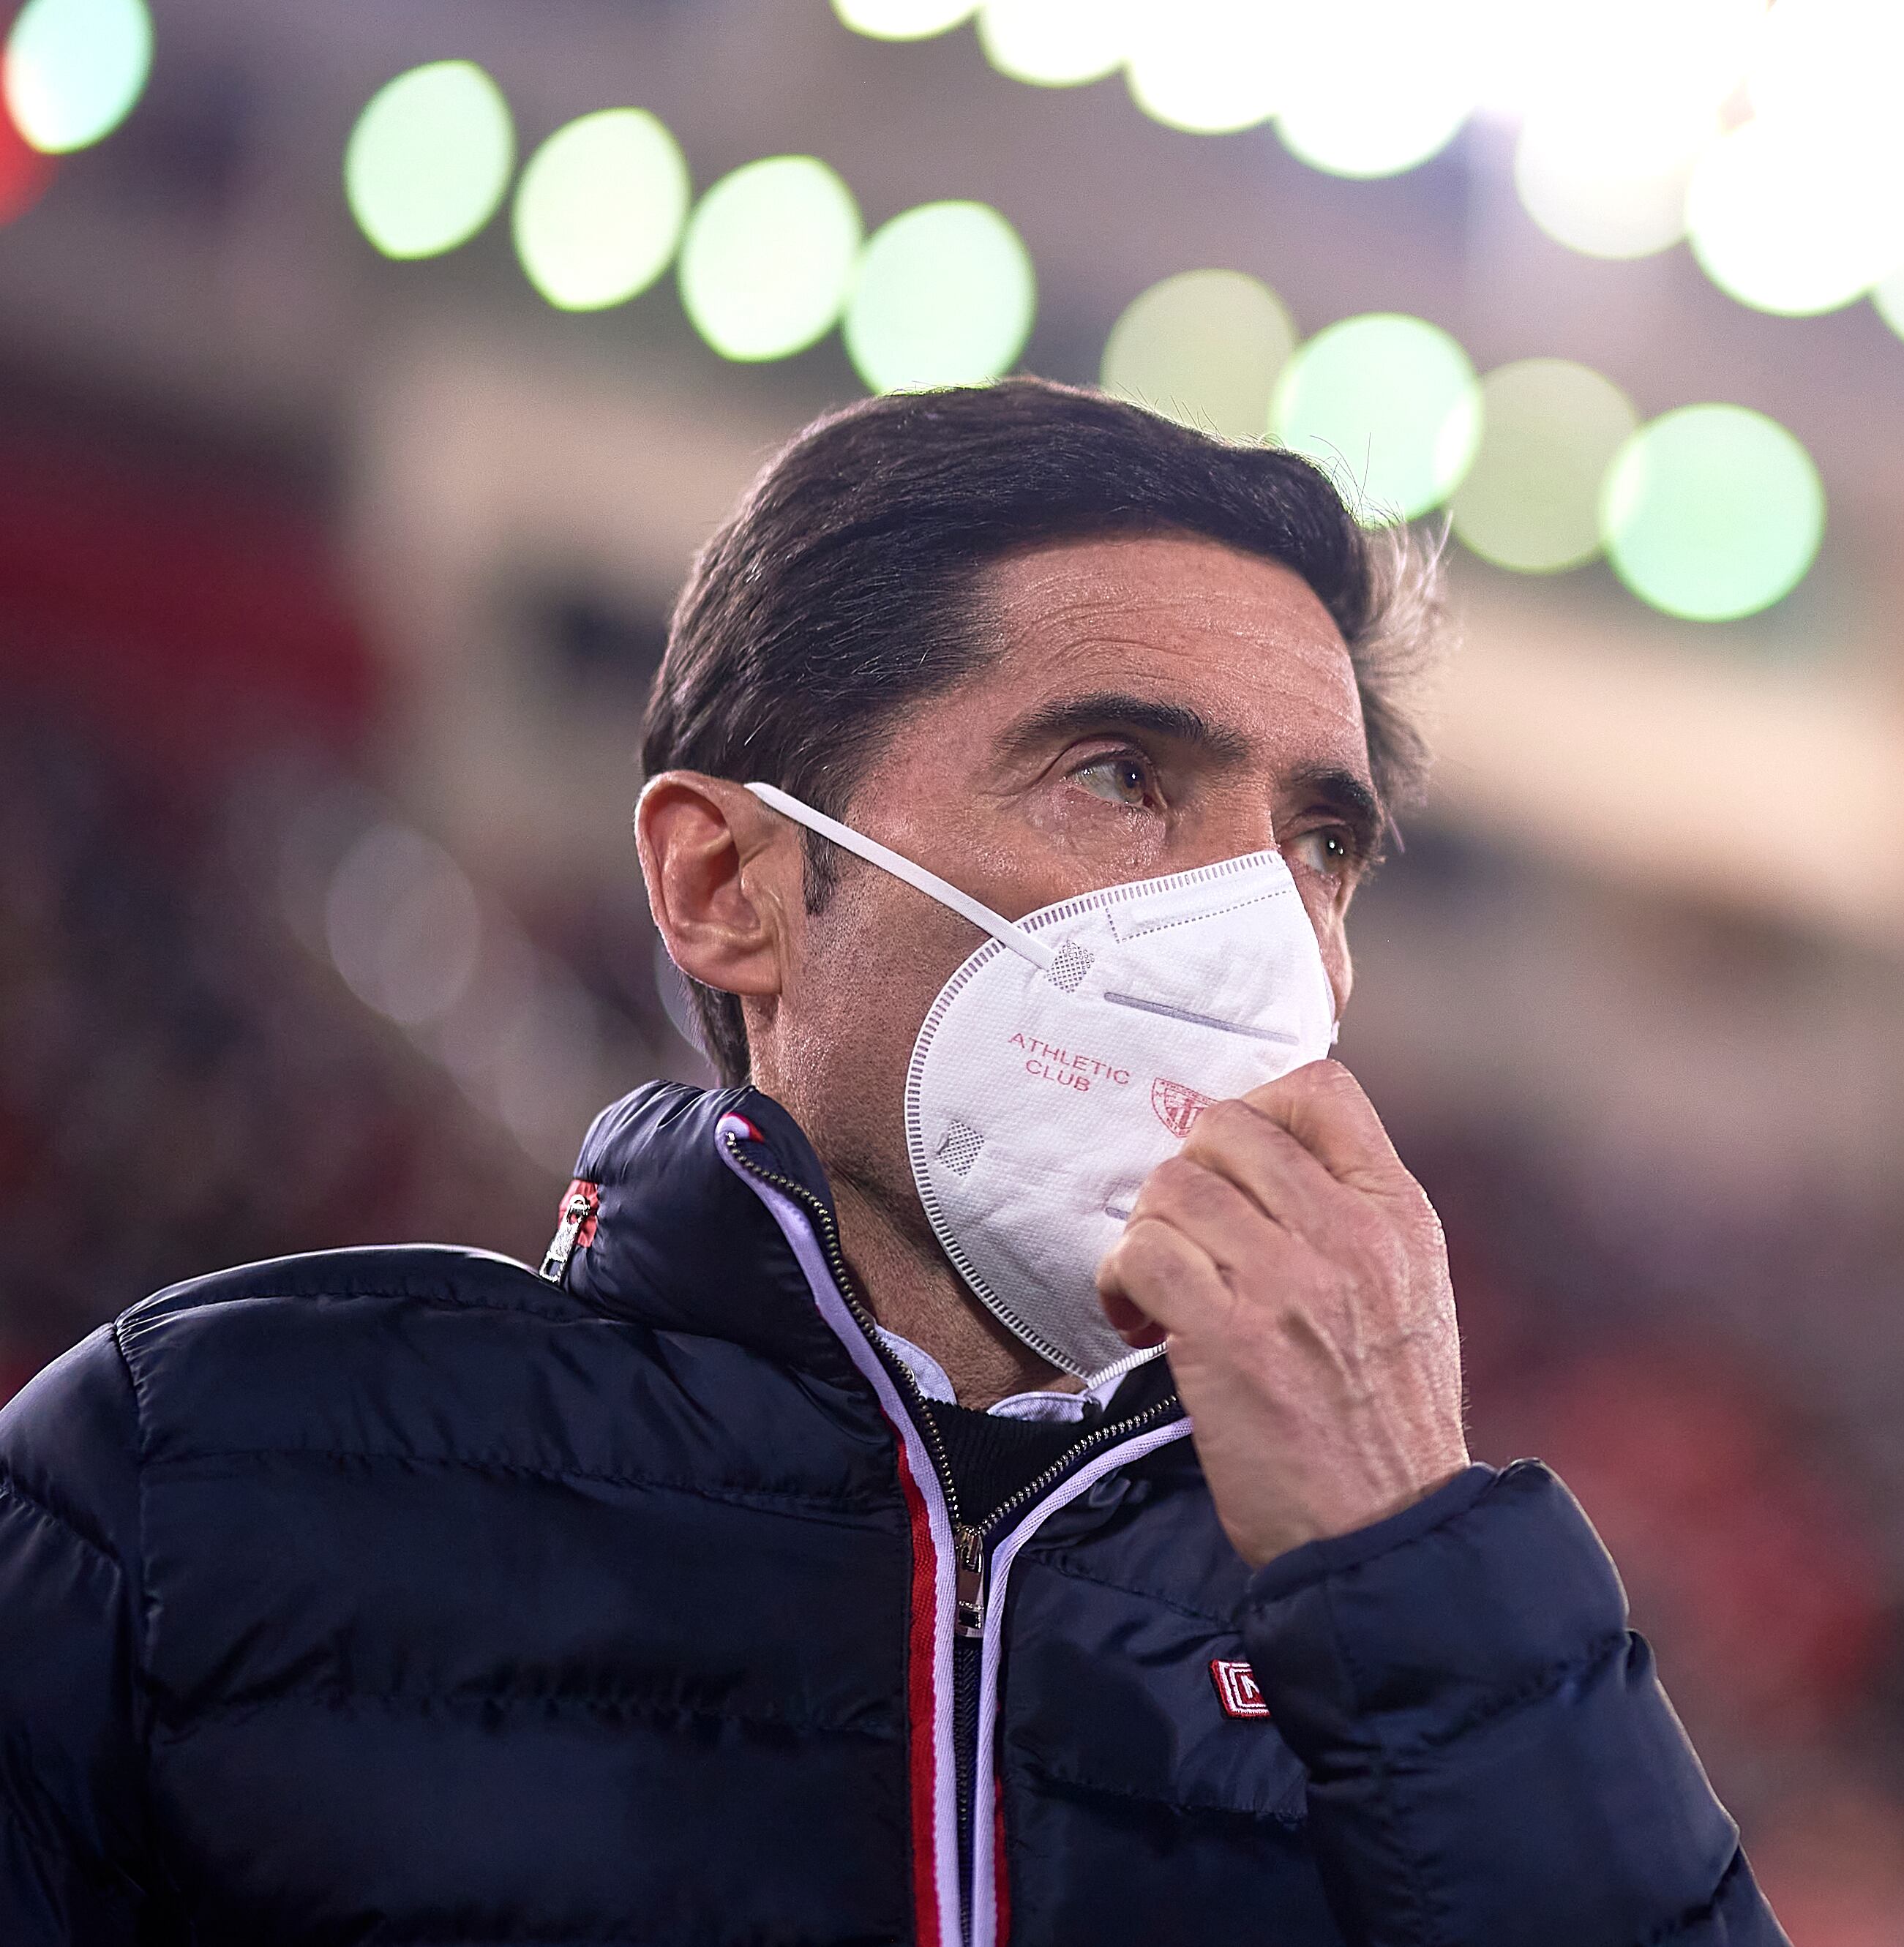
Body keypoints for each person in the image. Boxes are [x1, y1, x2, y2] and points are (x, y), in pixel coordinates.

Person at [0, 379, 1784, 1945]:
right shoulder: (195, 1475)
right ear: (726, 887)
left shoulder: (1401, 1642)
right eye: (1118, 771)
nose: (1263, 930)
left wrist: (1415, 1568)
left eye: (1319, 837)